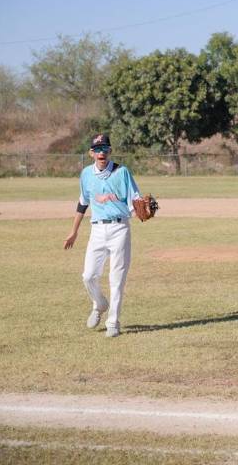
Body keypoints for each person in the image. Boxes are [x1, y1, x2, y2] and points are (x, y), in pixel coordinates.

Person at [63, 133, 143, 338]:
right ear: (91, 153)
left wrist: (143, 209)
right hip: (97, 230)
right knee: (88, 276)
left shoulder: (122, 172)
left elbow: (136, 200)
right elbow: (83, 203)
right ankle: (99, 304)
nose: (101, 153)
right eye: (97, 150)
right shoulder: (86, 174)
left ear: (110, 151)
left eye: (105, 149)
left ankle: (113, 322)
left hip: (120, 228)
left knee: (117, 278)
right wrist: (74, 231)